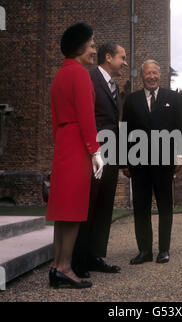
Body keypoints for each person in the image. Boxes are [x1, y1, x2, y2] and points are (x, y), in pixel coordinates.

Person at [46, 22, 104, 288]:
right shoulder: (80, 74)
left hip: (63, 145)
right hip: (78, 144)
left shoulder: (60, 75)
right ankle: (65, 267)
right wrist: (95, 150)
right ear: (80, 47)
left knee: (63, 211)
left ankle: (57, 266)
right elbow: (86, 116)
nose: (94, 50)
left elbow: (56, 118)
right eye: (92, 45)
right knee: (73, 211)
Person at [122, 60, 182, 265]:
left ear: (159, 75)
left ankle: (164, 250)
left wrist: (179, 156)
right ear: (141, 76)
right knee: (141, 206)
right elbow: (124, 131)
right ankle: (144, 251)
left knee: (165, 206)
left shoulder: (174, 98)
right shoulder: (132, 100)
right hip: (138, 162)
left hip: (164, 161)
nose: (151, 77)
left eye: (154, 73)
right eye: (147, 73)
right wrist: (123, 162)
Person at [72, 43, 128, 277]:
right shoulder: (89, 78)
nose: (125, 62)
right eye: (122, 57)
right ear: (108, 57)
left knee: (105, 206)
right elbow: (85, 116)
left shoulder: (114, 85)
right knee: (89, 204)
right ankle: (79, 259)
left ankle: (95, 255)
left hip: (113, 154)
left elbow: (115, 123)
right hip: (96, 154)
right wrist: (93, 151)